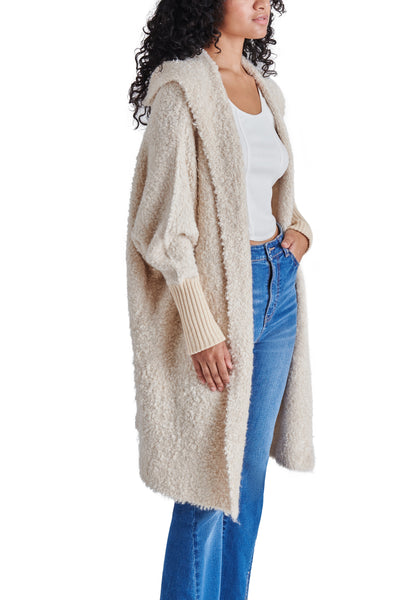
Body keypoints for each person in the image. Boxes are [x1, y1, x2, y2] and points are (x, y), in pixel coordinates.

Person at [126, 1, 315, 598]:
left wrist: (300, 233)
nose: (263, 2)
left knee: (248, 481)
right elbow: (162, 228)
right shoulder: (182, 93)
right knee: (208, 485)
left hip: (277, 291)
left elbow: (272, 194)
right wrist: (201, 326)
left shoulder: (265, 90)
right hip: (218, 300)